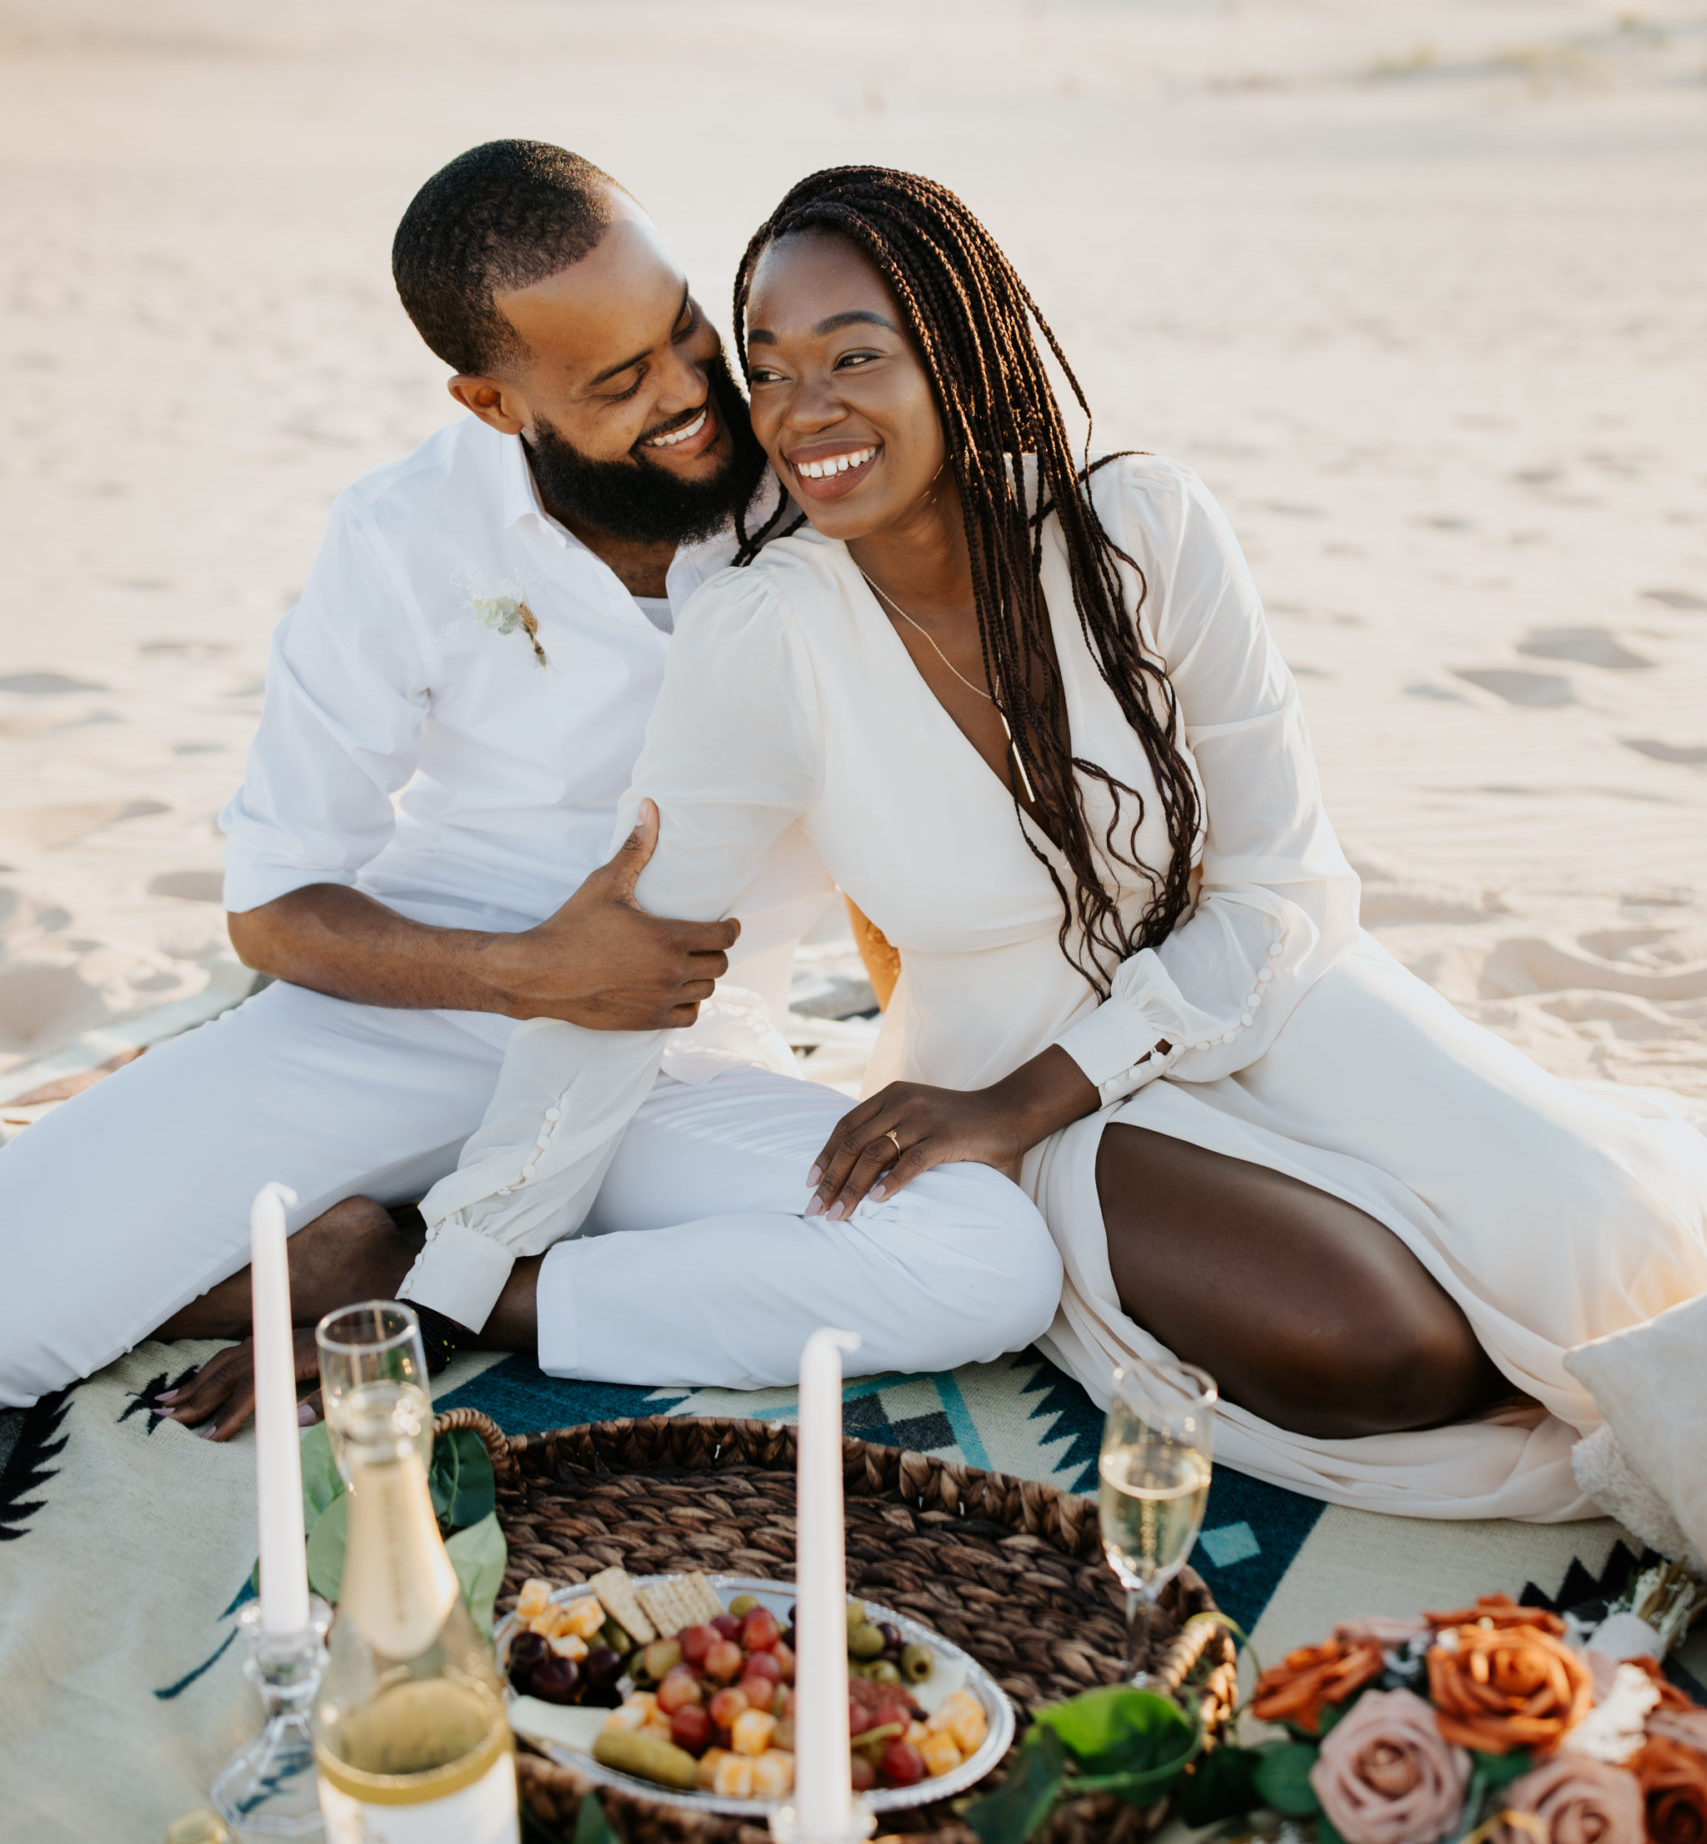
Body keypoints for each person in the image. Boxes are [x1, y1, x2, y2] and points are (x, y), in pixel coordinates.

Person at [393, 164, 1707, 1520]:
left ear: (956, 357)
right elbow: (631, 962)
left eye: (856, 356)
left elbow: (1286, 886)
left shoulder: (1139, 530)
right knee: (1376, 1351)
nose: (803, 412)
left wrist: (1033, 1092)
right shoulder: (767, 633)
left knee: (1607, 1235)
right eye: (770, 371)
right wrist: (459, 1274)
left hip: (1245, 993)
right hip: (1007, 1093)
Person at [0, 145, 1059, 1431]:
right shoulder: (403, 531)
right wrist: (525, 972)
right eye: (622, 382)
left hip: (681, 1062)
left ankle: (415, 1276)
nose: (692, 398)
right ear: (494, 402)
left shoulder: (814, 498)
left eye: (687, 336)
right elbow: (273, 911)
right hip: (400, 1021)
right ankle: (308, 1253)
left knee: (981, 1258)